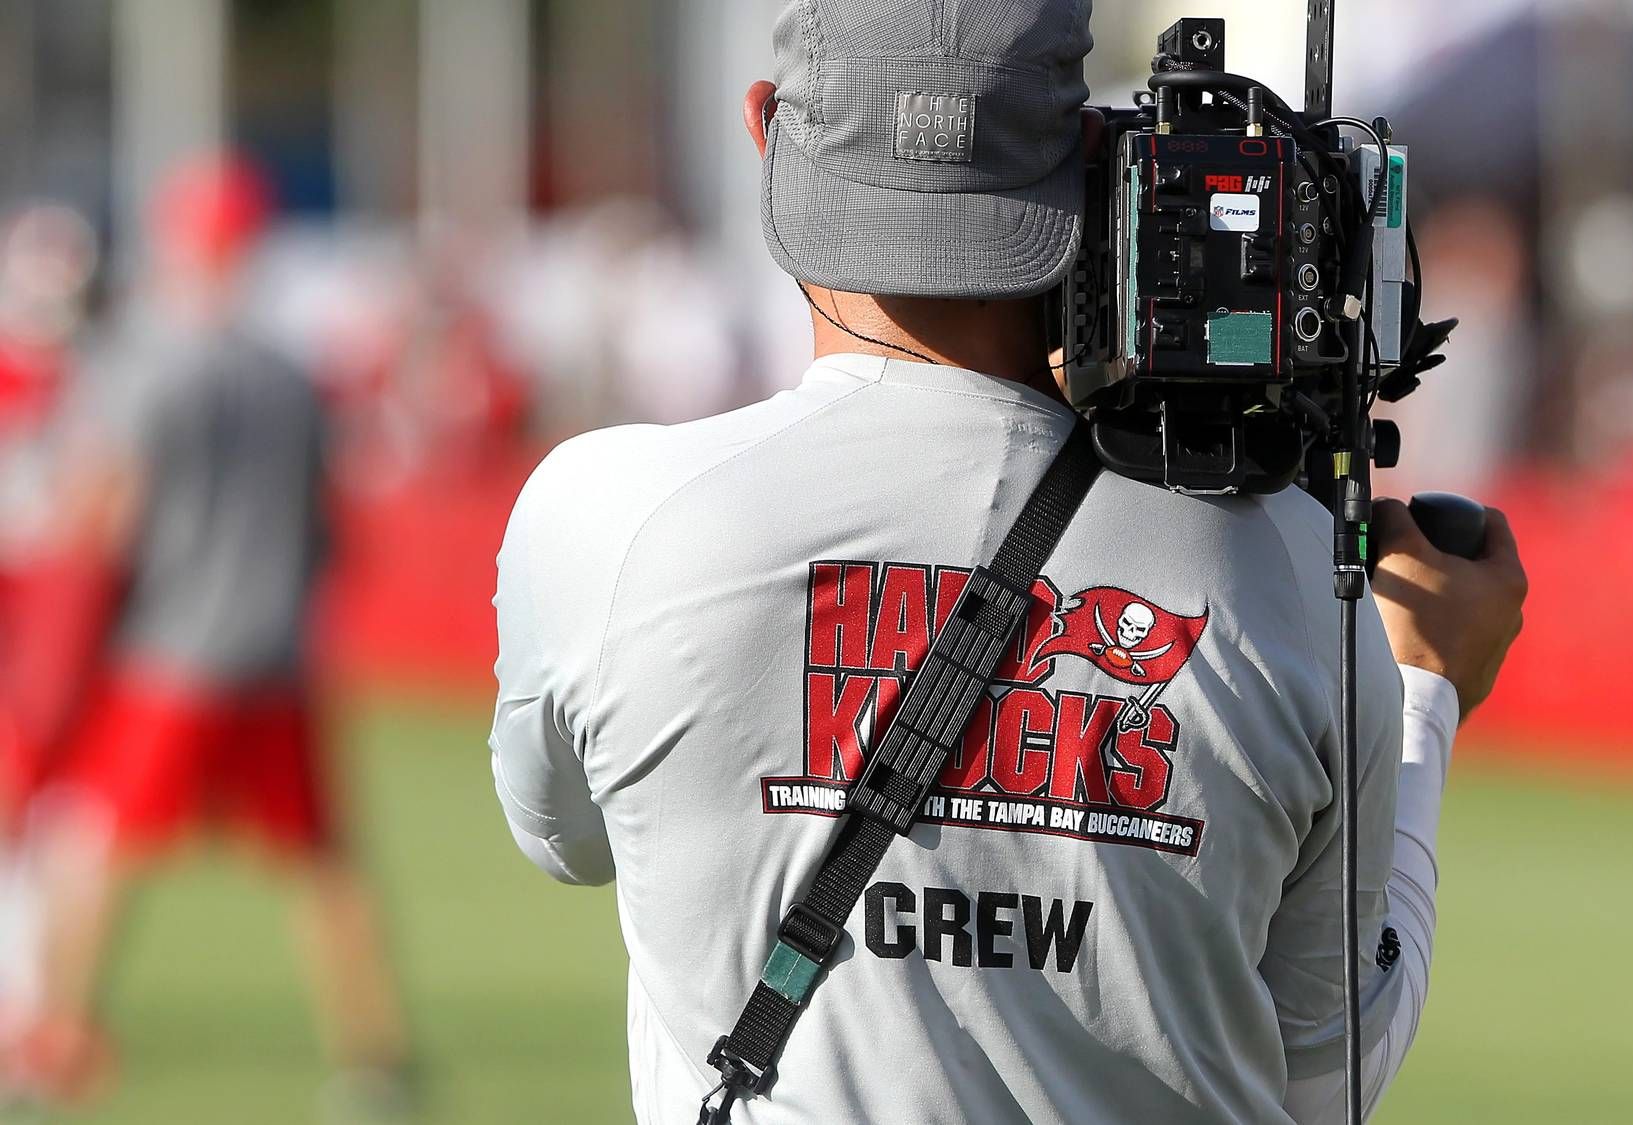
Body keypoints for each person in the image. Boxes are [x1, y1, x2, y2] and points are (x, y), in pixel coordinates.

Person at [490, 2, 1527, 1122]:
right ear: (1091, 151)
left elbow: (563, 837)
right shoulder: (1289, 571)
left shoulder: (605, 513)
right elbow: (1327, 1077)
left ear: (763, 129)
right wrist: (1421, 691)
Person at [4, 155, 413, 1121]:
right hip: (276, 654)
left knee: (96, 847)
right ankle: (376, 1060)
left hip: (169, 653)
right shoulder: (293, 376)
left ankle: (54, 1038)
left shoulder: (147, 362)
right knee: (323, 868)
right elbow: (331, 528)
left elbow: (104, 509)